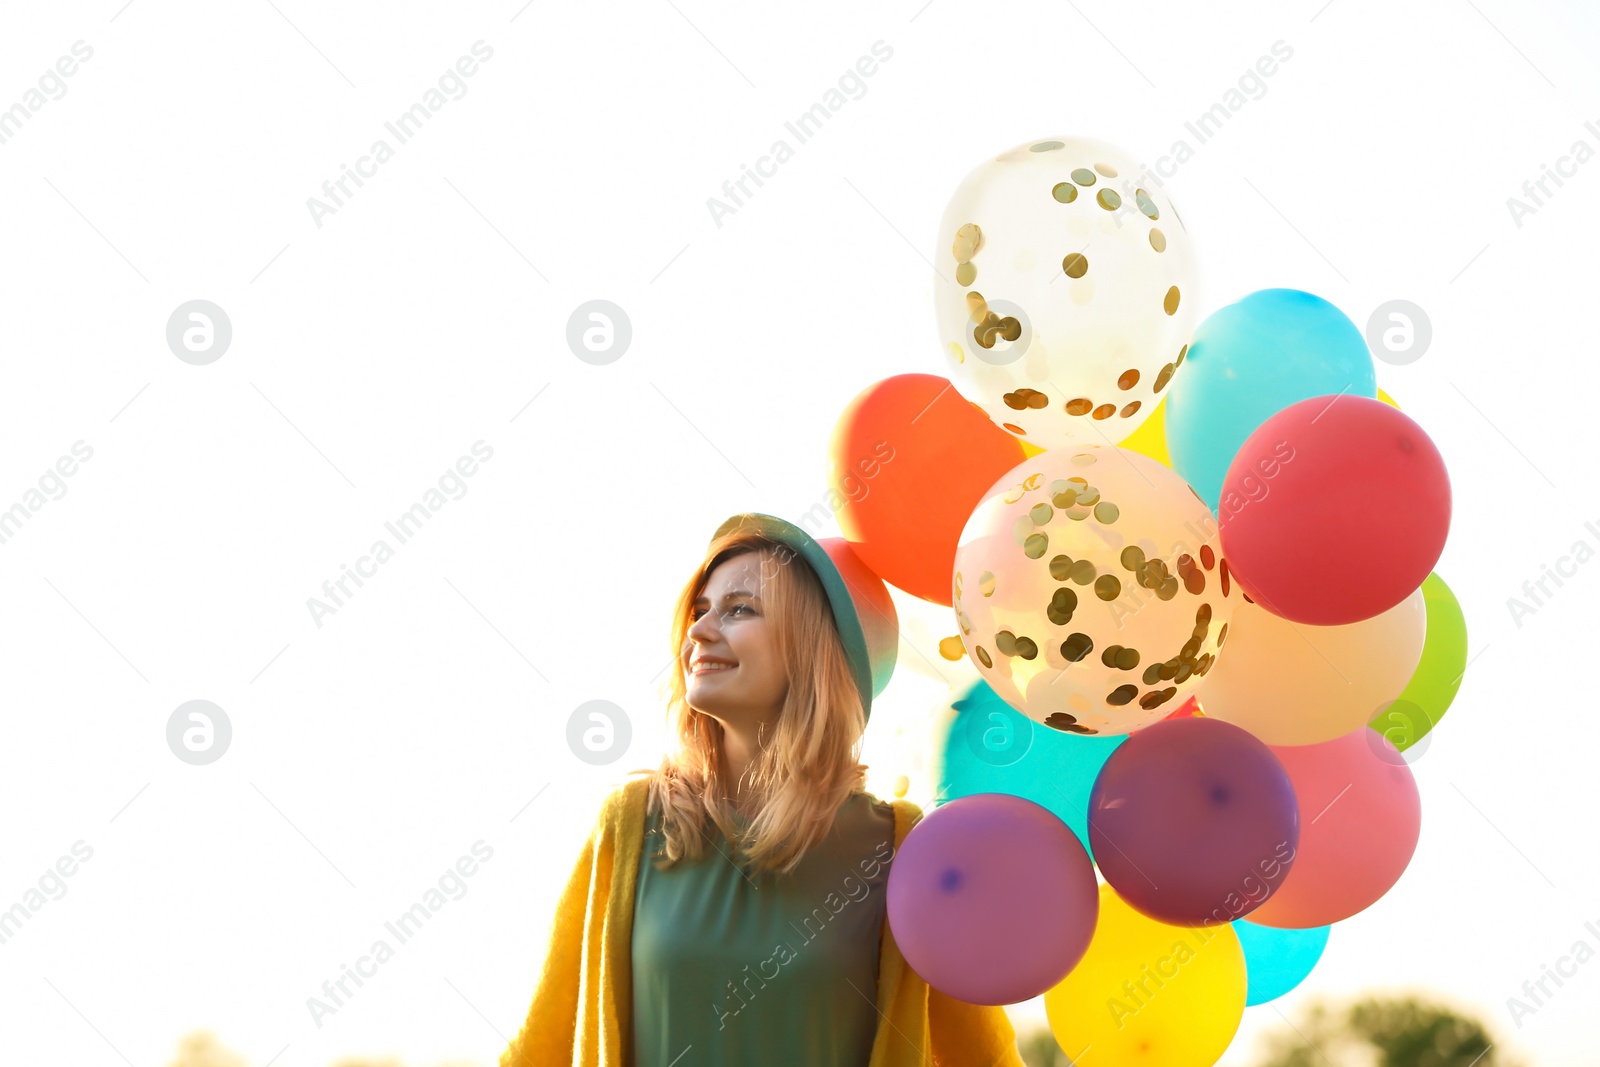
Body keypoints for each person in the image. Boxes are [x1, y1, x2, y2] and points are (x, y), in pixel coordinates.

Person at [497, 512, 1026, 1067]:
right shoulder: (630, 825)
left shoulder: (902, 850)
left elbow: (984, 1059)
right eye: (699, 611)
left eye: (739, 609)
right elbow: (541, 1047)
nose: (699, 630)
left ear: (812, 647)